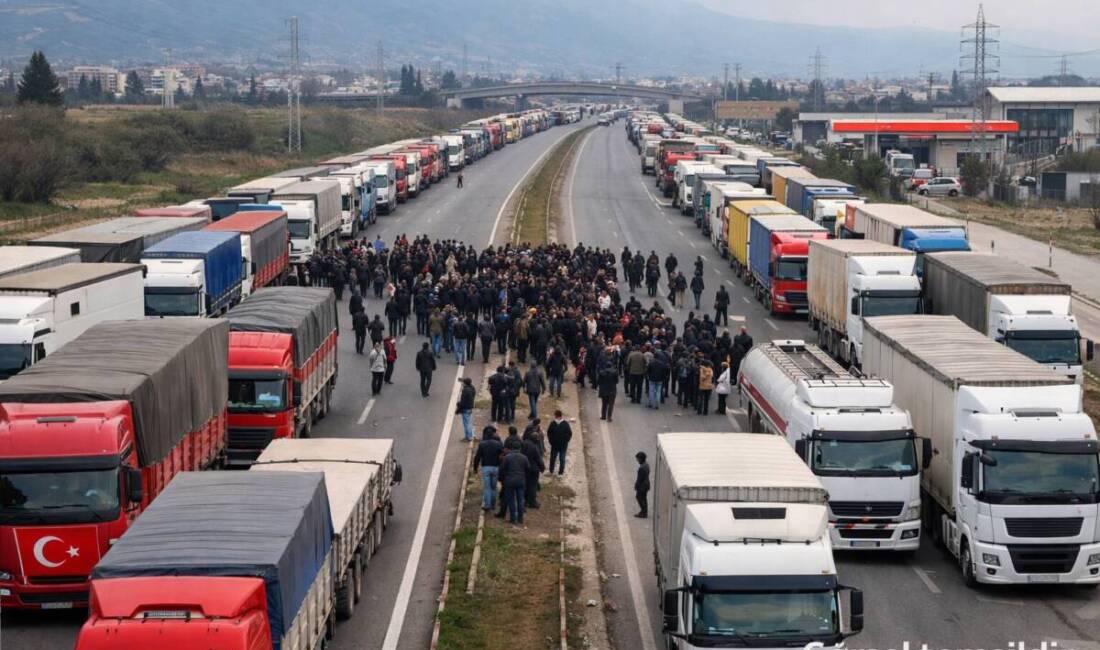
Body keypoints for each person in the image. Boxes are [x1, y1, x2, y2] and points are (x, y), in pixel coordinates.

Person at [472, 426, 503, 511]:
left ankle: (487, 504)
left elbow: (477, 457)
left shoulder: (482, 444)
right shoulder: (498, 444)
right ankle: (493, 504)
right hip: (496, 467)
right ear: (493, 434)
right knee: (493, 487)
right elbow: (502, 456)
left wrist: (475, 468)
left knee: (487, 487)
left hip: (486, 467)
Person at [499, 438, 529, 524]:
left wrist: (503, 477)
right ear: (520, 448)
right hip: (521, 480)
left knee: (511, 500)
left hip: (510, 480)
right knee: (520, 499)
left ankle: (513, 519)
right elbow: (528, 468)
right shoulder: (524, 457)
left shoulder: (507, 457)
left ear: (512, 448)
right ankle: (520, 519)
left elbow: (502, 469)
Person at [521, 431, 545, 508]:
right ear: (535, 439)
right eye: (537, 438)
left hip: (525, 468)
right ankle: (532, 502)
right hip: (533, 469)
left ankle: (525, 501)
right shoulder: (534, 447)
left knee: (526, 484)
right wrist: (542, 468)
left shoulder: (524, 443)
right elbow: (538, 459)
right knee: (533, 486)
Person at [547, 410, 572, 476]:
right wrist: (551, 441)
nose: (555, 417)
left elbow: (569, 434)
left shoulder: (565, 424)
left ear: (558, 416)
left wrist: (565, 441)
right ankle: (551, 471)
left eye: (555, 416)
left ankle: (560, 472)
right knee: (553, 459)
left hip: (562, 446)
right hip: (555, 445)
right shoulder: (553, 423)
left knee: (562, 459)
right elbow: (549, 433)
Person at [456, 377, 476, 441]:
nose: (462, 383)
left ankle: (468, 437)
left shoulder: (465, 391)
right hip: (470, 407)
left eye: (463, 382)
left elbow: (463, 402)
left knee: (466, 424)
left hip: (465, 408)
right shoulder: (472, 388)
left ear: (465, 383)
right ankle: (471, 435)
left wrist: (458, 409)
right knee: (469, 422)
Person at [634, 451, 650, 518]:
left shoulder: (642, 468)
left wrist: (636, 486)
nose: (637, 460)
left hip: (642, 486)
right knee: (643, 498)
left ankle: (643, 512)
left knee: (639, 497)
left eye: (638, 459)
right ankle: (644, 511)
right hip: (646, 485)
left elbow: (639, 479)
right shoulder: (646, 465)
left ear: (641, 459)